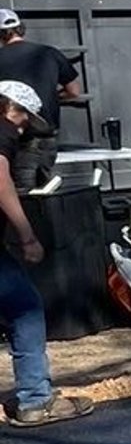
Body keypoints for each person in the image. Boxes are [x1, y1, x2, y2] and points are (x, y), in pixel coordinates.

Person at [0, 80, 93, 426]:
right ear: (12, 108)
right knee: (25, 310)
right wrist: (26, 235)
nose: (23, 129)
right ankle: (35, 400)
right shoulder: (3, 127)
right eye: (25, 120)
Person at [0, 9, 82, 191]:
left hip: (16, 136)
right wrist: (53, 97)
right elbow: (74, 91)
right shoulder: (49, 53)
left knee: (22, 192)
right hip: (48, 134)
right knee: (46, 189)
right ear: (20, 28)